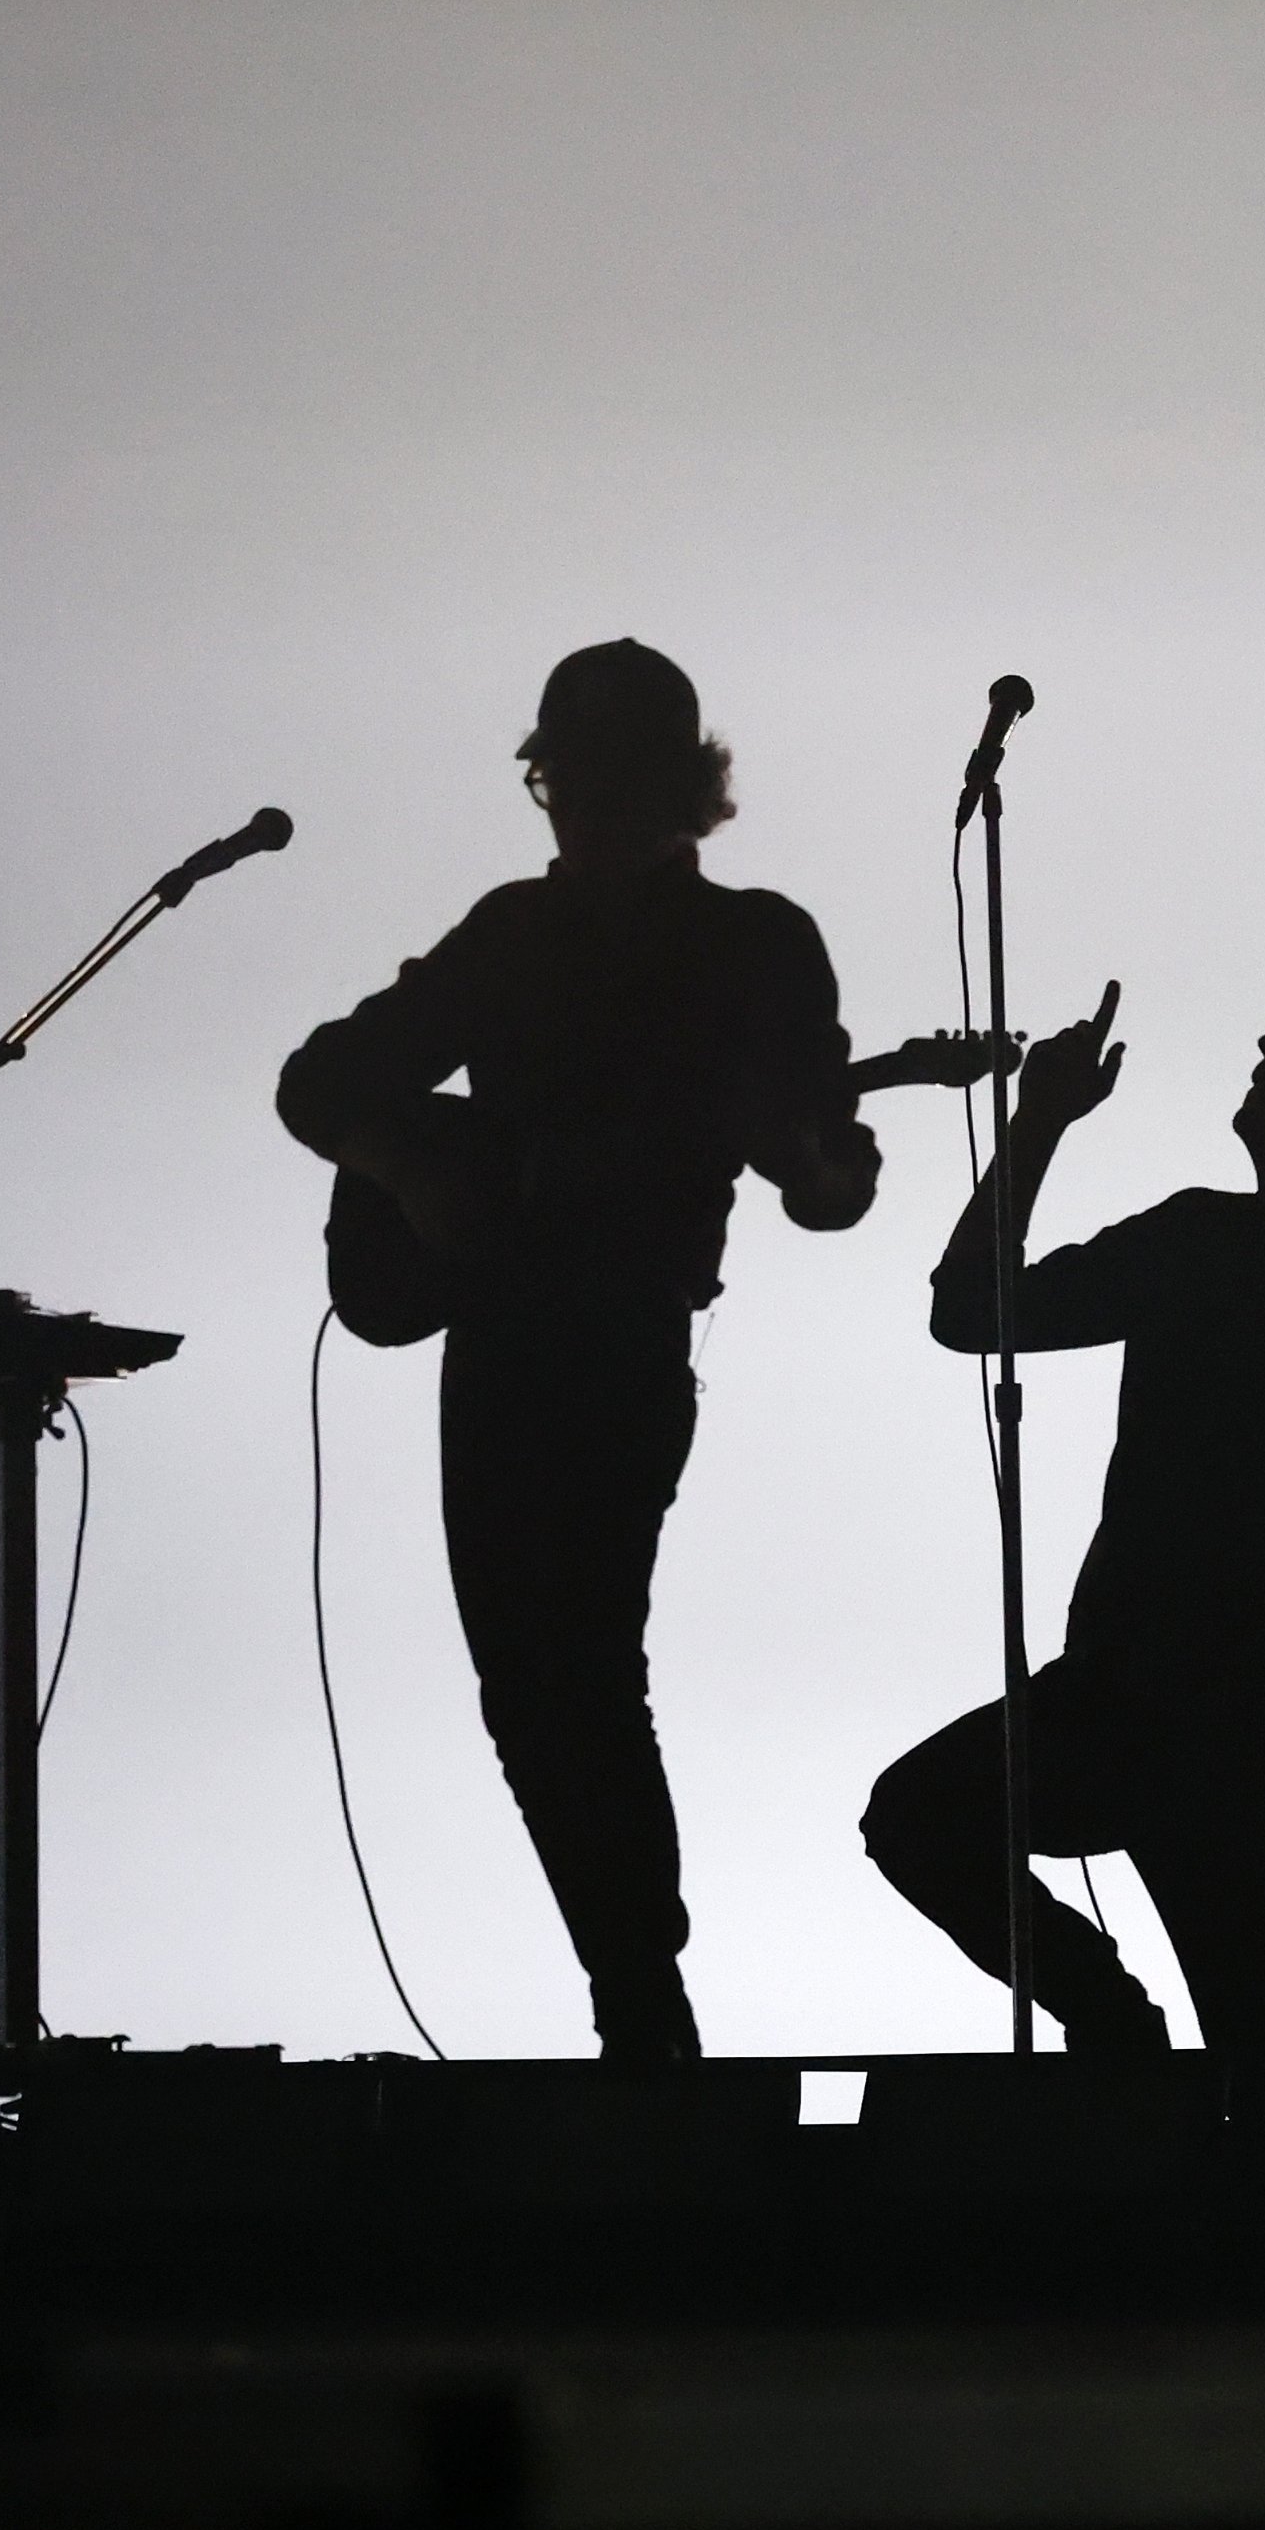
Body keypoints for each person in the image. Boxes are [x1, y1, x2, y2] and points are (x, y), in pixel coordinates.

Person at [278, 639, 881, 2059]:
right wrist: (408, 1171)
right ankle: (631, 1979)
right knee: (526, 1683)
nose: (575, 807)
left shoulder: (757, 944)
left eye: (603, 781)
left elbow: (833, 1184)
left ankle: (640, 1995)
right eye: (564, 779)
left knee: (586, 1666)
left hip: (621, 1346)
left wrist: (806, 1153)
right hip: (493, 1340)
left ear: (677, 788)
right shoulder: (510, 933)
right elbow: (320, 1080)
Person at [862, 980, 1265, 2088]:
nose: (1258, 1044)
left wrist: (1042, 1121)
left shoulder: (1210, 1250)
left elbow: (970, 1310)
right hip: (1216, 1724)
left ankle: (1133, 2027)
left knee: (924, 1821)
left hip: (1179, 1713)